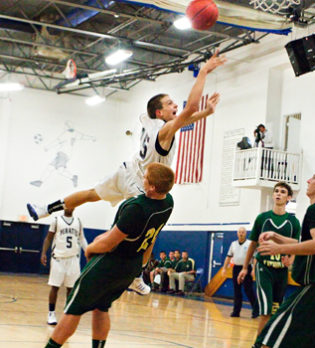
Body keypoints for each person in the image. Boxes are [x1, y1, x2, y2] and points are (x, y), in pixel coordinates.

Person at [27, 50, 226, 220]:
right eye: (170, 104)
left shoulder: (150, 122)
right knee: (144, 227)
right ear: (160, 113)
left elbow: (185, 120)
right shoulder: (164, 130)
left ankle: (44, 209)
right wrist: (203, 71)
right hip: (142, 185)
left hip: (128, 169)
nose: (175, 105)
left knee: (91, 194)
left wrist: (207, 113)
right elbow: (190, 108)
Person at [43, 162, 175, 348]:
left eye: (145, 177)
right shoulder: (168, 203)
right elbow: (148, 241)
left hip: (110, 263)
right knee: (101, 307)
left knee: (73, 309)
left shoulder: (136, 208)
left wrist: (90, 249)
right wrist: (141, 266)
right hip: (131, 266)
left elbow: (110, 242)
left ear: (152, 187)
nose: (142, 178)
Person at [255, 169, 315, 348]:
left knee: (270, 337)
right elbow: (305, 242)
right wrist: (277, 236)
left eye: (313, 178)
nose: (308, 180)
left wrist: (279, 248)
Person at [237, 182, 301, 335]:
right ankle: (259, 345)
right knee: (265, 311)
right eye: (276, 191)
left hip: (281, 271)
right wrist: (245, 267)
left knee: (275, 311)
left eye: (283, 192)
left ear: (289, 197)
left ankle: (269, 343)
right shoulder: (263, 218)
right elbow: (252, 244)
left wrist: (291, 260)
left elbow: (296, 245)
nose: (278, 194)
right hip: (263, 267)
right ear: (273, 195)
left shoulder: (293, 222)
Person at [40, 208, 87, 325]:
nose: (70, 207)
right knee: (55, 287)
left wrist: (88, 252)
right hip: (58, 258)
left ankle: (67, 314)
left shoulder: (78, 221)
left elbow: (82, 239)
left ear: (75, 207)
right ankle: (51, 313)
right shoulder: (56, 220)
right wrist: (43, 253)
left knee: (71, 289)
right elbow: (48, 238)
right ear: (64, 207)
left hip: (73, 259)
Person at [222, 227, 258, 318]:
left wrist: (253, 269)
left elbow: (255, 258)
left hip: (247, 268)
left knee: (248, 289)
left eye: (243, 232)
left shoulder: (250, 243)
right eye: (239, 232)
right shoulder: (233, 244)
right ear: (237, 234)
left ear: (246, 233)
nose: (241, 234)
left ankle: (256, 310)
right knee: (237, 291)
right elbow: (228, 256)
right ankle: (236, 312)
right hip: (236, 268)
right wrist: (224, 268)